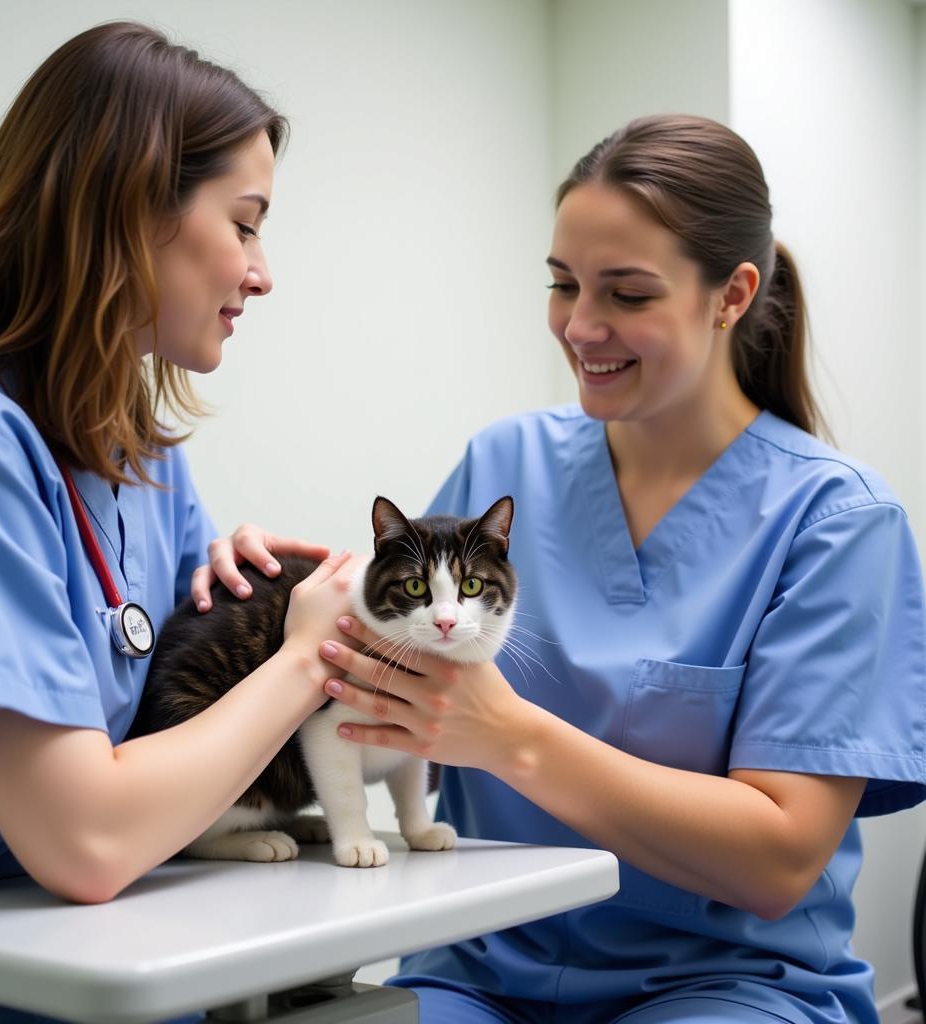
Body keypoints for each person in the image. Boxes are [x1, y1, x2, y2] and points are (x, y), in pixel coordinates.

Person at [318, 114, 926, 1023]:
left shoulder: (836, 523)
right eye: (564, 284)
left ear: (731, 295)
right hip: (478, 971)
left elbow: (779, 858)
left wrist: (511, 737)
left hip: (725, 986)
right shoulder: (503, 463)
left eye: (628, 294)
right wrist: (253, 581)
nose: (581, 325)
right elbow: (378, 658)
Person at [0, 21, 355, 1022]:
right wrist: (300, 663)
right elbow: (86, 840)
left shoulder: (141, 454)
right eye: (243, 224)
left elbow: (162, 721)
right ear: (130, 207)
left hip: (133, 969)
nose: (261, 270)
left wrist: (240, 614)